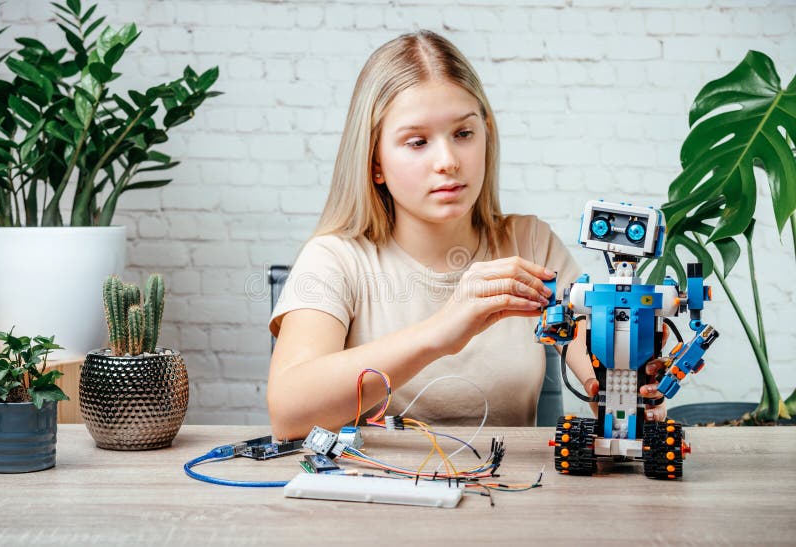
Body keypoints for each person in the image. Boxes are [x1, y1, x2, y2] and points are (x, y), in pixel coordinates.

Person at [267, 30, 666, 440]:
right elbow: (288, 413)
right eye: (417, 141)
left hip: (507, 493)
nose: (448, 161)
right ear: (375, 163)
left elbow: (597, 366)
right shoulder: (335, 258)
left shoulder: (530, 243)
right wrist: (440, 332)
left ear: (486, 133)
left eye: (463, 134)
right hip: (377, 493)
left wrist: (629, 385)